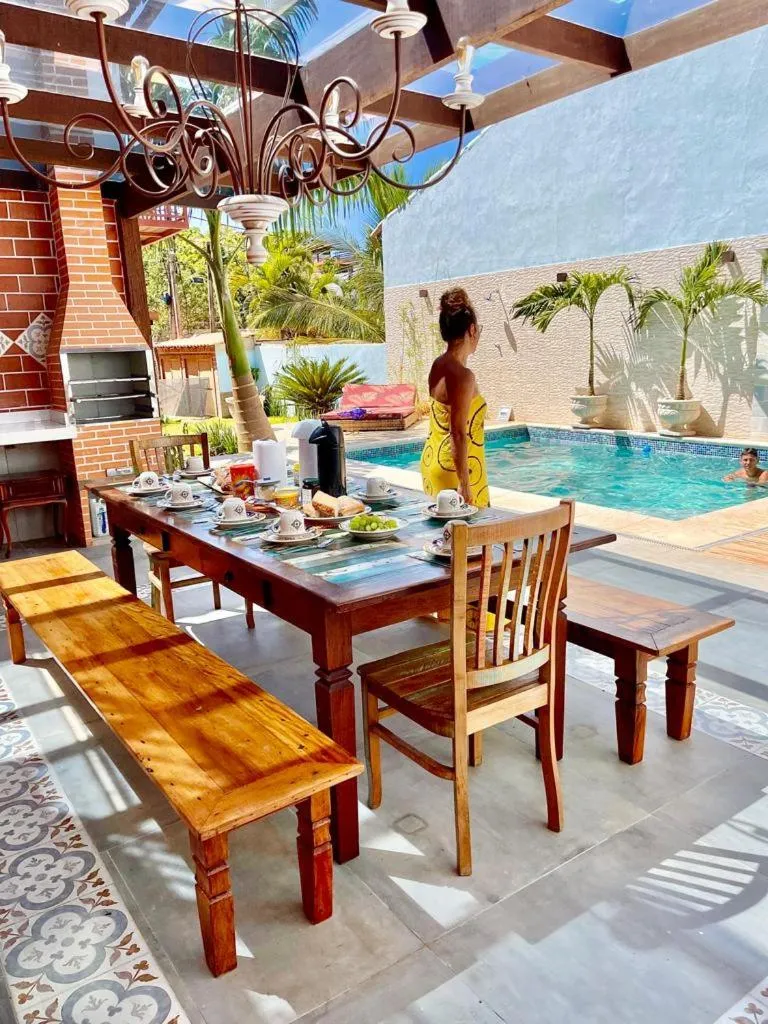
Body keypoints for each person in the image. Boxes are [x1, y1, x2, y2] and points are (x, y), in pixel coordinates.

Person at [421, 288, 489, 507]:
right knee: (472, 538)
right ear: (472, 330)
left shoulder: (438, 365)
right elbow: (457, 433)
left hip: (433, 461)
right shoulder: (463, 376)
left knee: (442, 539)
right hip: (459, 470)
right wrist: (465, 484)